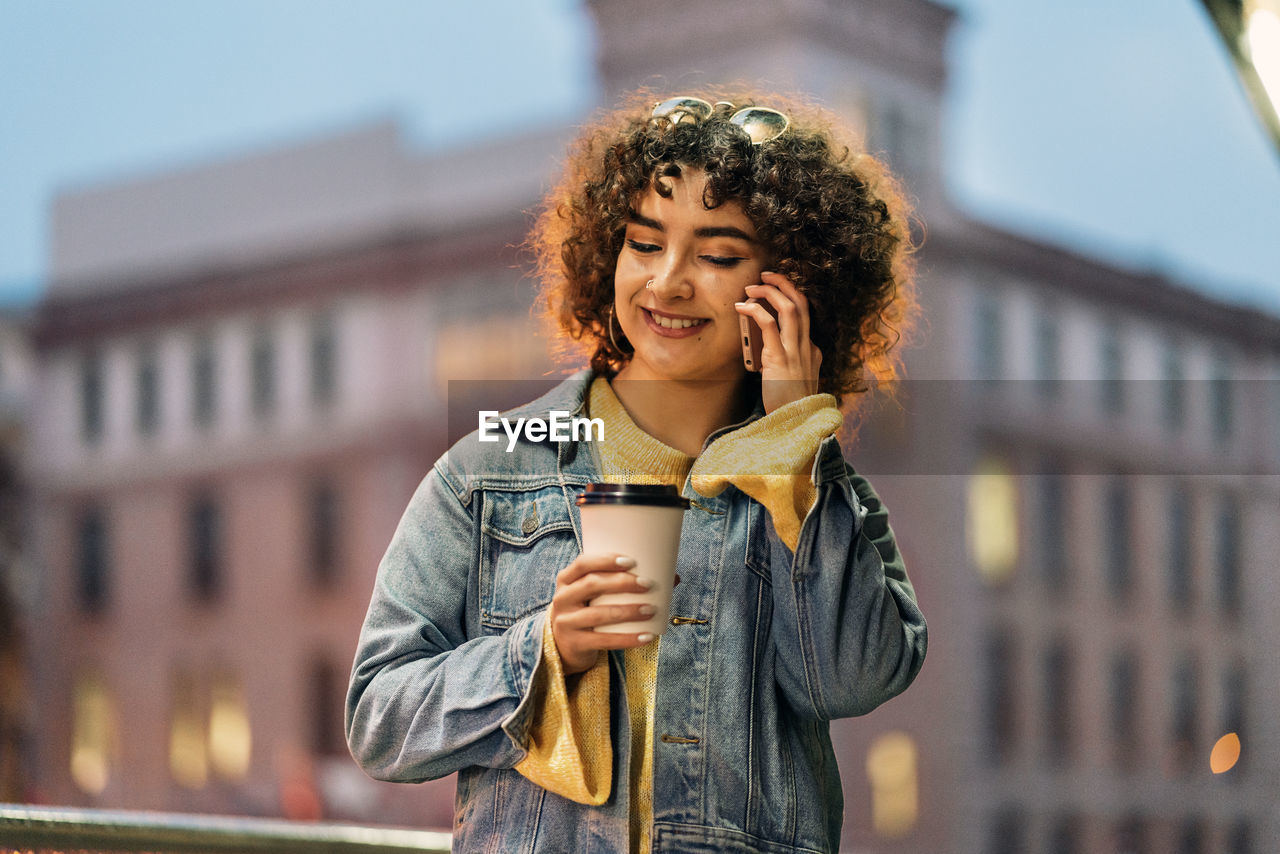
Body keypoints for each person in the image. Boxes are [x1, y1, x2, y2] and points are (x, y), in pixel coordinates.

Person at [346, 91, 928, 854]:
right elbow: (378, 718)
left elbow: (851, 679)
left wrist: (792, 445)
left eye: (718, 255)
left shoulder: (821, 494)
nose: (667, 283)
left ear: (793, 289)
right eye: (644, 244)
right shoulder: (488, 472)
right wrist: (545, 648)